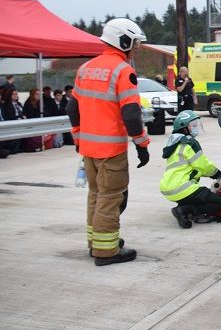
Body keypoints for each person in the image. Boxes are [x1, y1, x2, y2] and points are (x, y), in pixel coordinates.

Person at [66, 17, 150, 266]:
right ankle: (106, 252)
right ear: (123, 41)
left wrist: (79, 137)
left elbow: (73, 108)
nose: (136, 48)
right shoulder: (123, 71)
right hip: (111, 149)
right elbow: (132, 115)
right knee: (111, 197)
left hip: (89, 149)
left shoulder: (86, 68)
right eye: (134, 43)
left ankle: (98, 242)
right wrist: (142, 144)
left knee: (96, 194)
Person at [161, 110, 221, 228]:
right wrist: (217, 173)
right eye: (193, 125)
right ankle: (185, 210)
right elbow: (202, 165)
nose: (196, 128)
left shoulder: (174, 144)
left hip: (169, 187)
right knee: (218, 203)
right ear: (184, 128)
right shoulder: (189, 143)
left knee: (199, 197)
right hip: (182, 187)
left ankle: (183, 209)